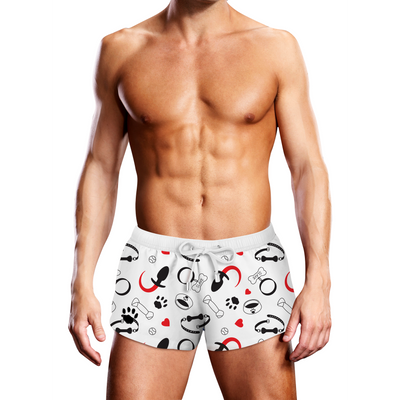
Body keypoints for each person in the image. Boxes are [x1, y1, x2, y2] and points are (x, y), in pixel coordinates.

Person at [68, 1, 332, 399]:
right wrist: (81, 281)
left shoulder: (275, 48)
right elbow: (101, 167)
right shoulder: (122, 49)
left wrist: (319, 281)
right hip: (155, 262)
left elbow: (307, 168)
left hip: (250, 262)